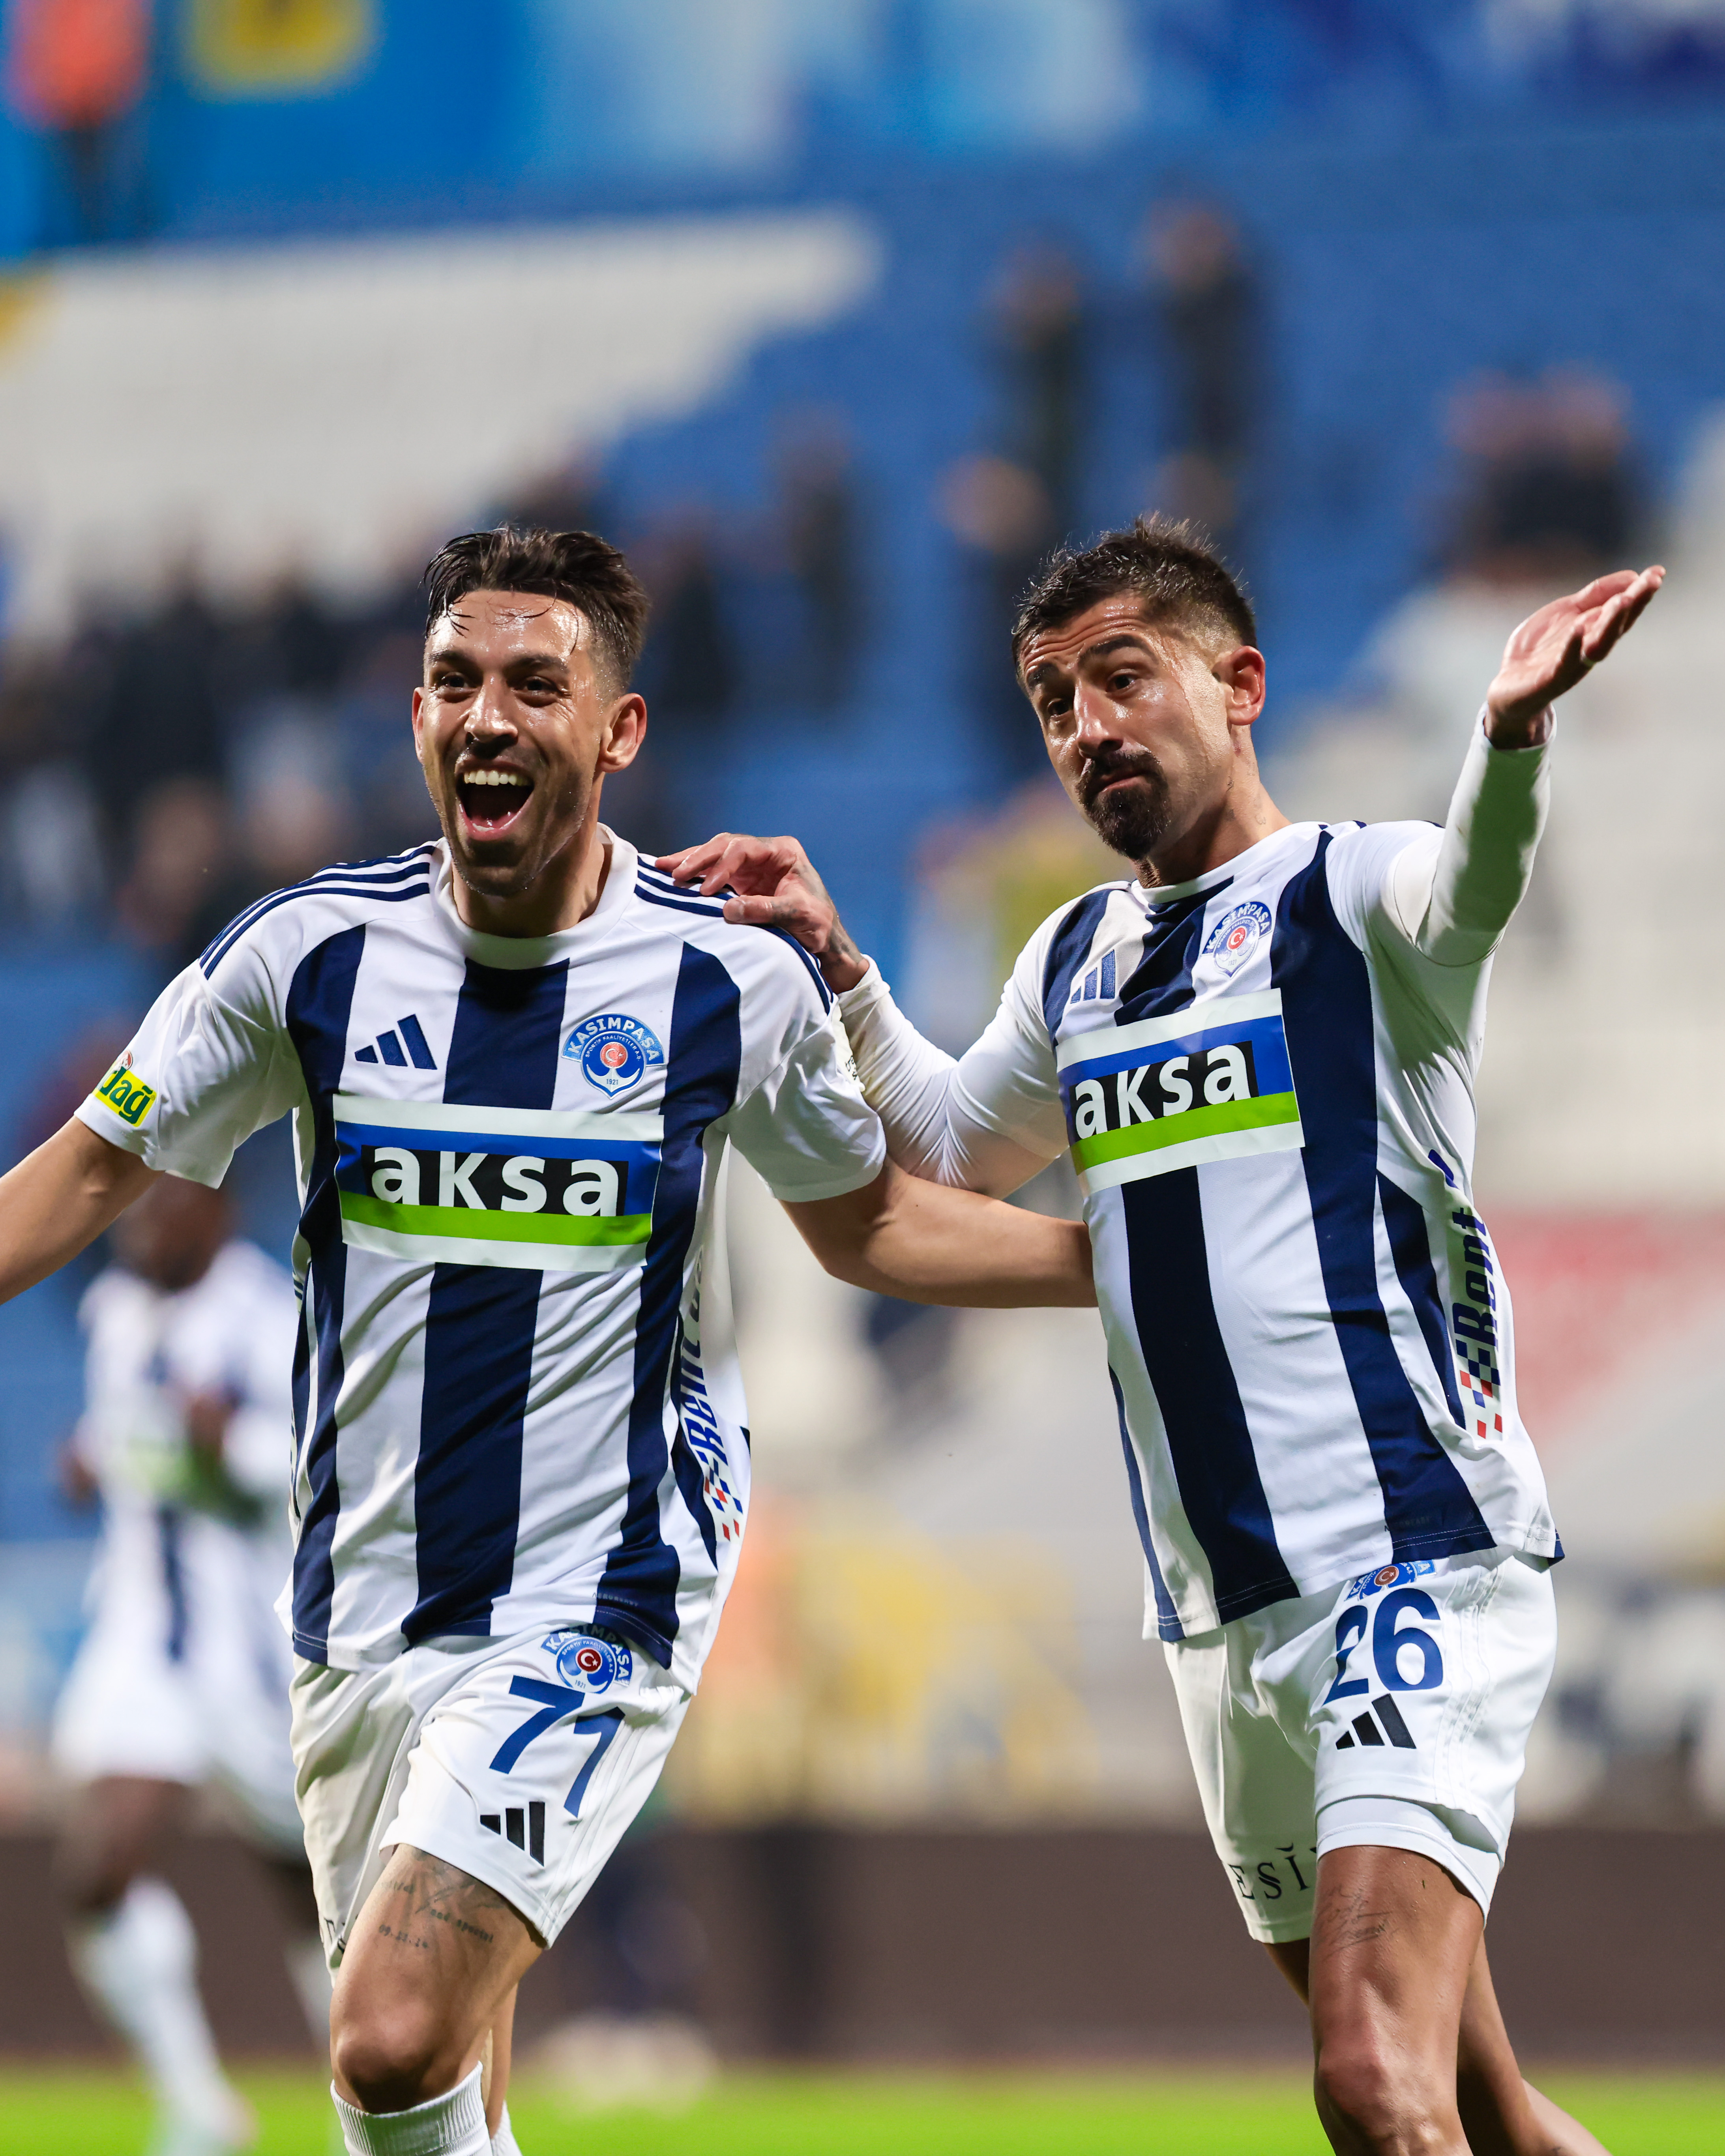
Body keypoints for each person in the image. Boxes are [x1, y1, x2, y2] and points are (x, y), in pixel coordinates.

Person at [0, 525, 1094, 2156]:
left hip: (600, 1585)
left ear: (618, 728)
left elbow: (869, 1222)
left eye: (533, 682)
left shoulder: (723, 977)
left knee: (385, 2036)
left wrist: (1132, 1266)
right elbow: (89, 1171)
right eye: (453, 682)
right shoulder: (305, 958)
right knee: (422, 2107)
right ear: (416, 719)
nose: (487, 715)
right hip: (361, 1603)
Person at [660, 517, 1661, 2156]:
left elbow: (1468, 890)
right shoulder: (1077, 960)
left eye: (1123, 678)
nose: (1087, 728)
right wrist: (839, 964)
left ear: (1239, 683)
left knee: (1370, 2078)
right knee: (1475, 2104)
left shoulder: (1348, 891)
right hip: (1220, 1620)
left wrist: (1505, 737)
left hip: (1410, 1565)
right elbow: (947, 1148)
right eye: (1056, 702)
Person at [54, 1171, 322, 2156]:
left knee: (315, 1894)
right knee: (100, 1867)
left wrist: (229, 1451)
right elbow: (128, 1430)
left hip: (250, 1648)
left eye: (161, 1206)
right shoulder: (116, 1309)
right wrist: (89, 1458)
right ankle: (197, 2106)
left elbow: (314, 1471)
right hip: (141, 1641)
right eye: (131, 1210)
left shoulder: (271, 1316)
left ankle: (373, 2101)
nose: (139, 1228)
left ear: (216, 1209)